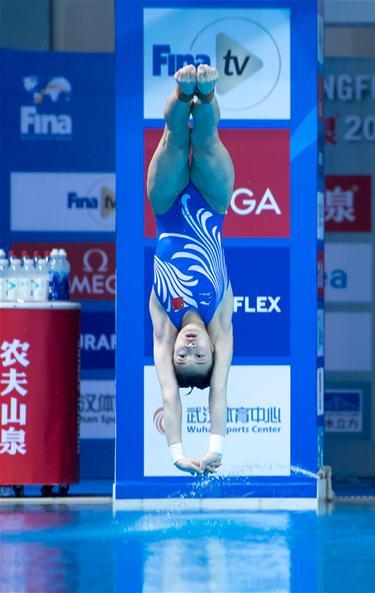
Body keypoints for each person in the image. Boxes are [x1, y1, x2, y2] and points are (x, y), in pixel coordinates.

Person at [147, 63, 234, 475]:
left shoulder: (164, 322)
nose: (191, 347)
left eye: (185, 355)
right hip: (212, 202)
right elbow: (218, 389)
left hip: (165, 205)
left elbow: (169, 393)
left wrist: (178, 454)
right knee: (207, 138)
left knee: (173, 140)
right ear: (214, 351)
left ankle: (183, 96)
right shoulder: (221, 319)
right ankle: (210, 93)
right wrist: (214, 447)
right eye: (201, 354)